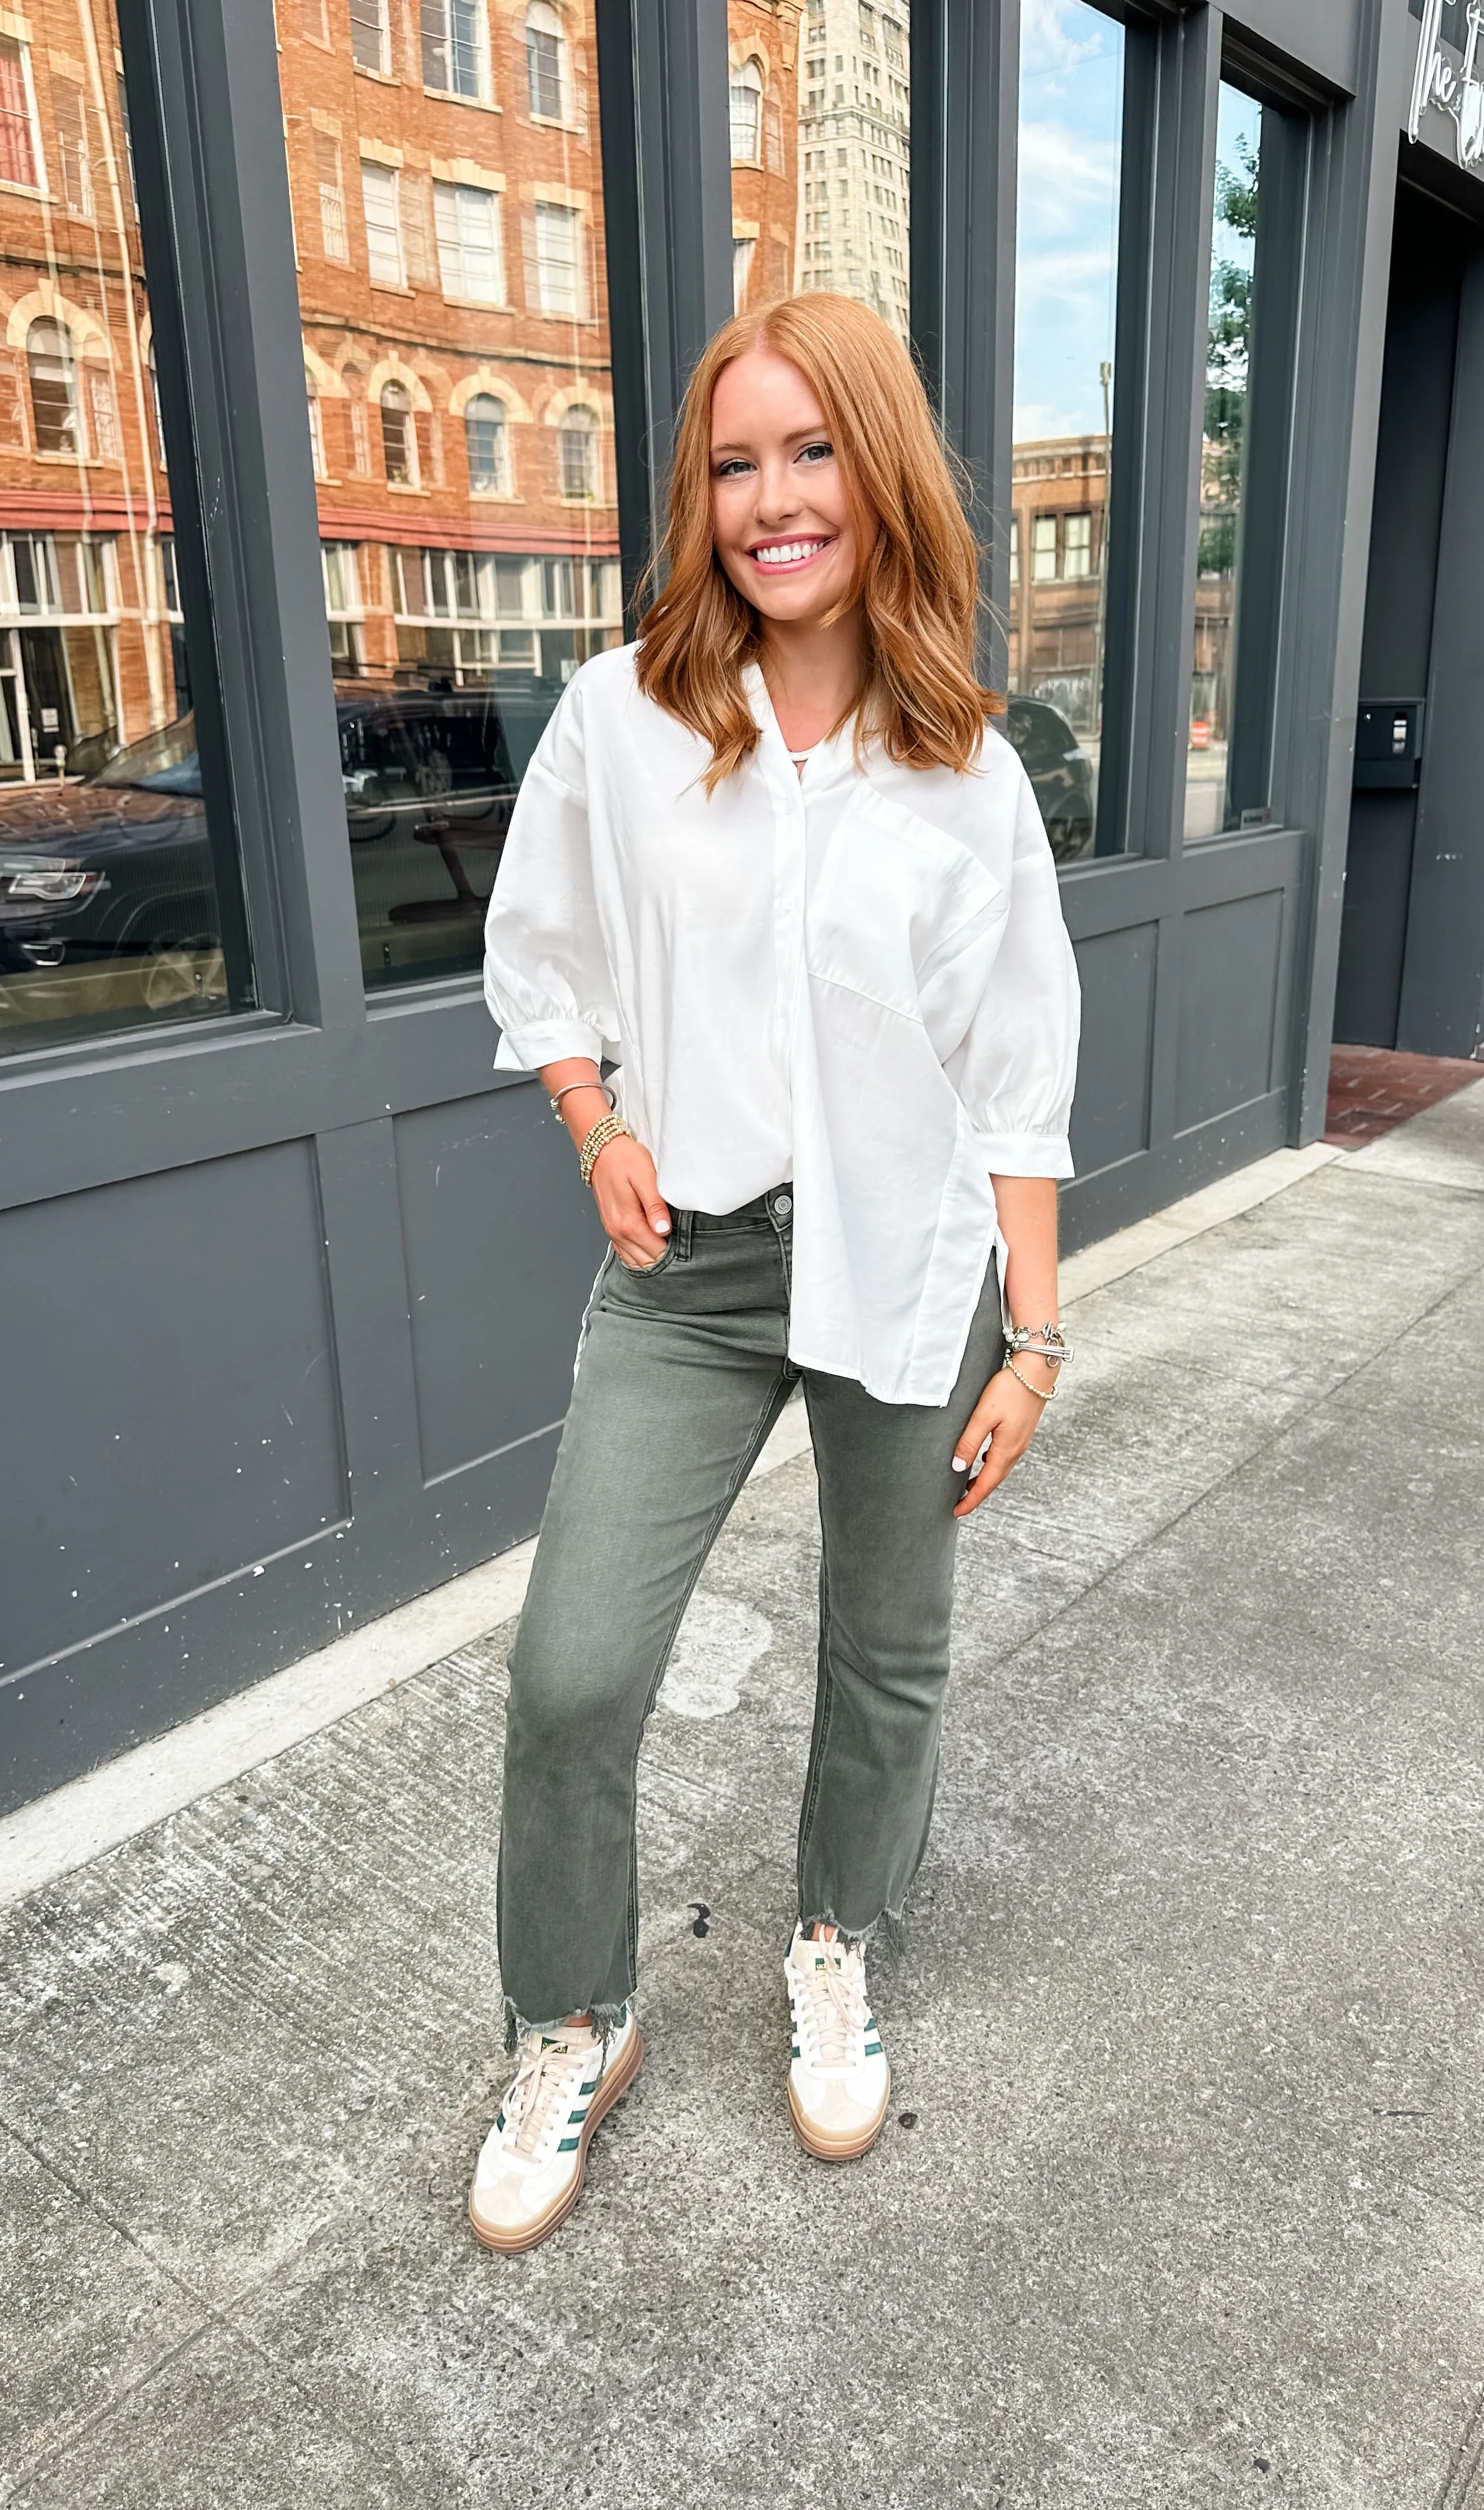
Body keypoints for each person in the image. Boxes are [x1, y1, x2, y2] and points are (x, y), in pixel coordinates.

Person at [469, 292, 1080, 2253]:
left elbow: (1019, 1066)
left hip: (909, 1267)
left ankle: (838, 1940)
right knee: (573, 1673)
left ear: (878, 472)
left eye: (810, 452)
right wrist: (599, 1126)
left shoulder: (966, 766)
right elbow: (540, 954)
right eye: (734, 463)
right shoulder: (624, 715)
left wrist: (1037, 1330)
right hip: (697, 1270)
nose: (770, 500)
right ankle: (574, 2014)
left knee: (885, 1649)